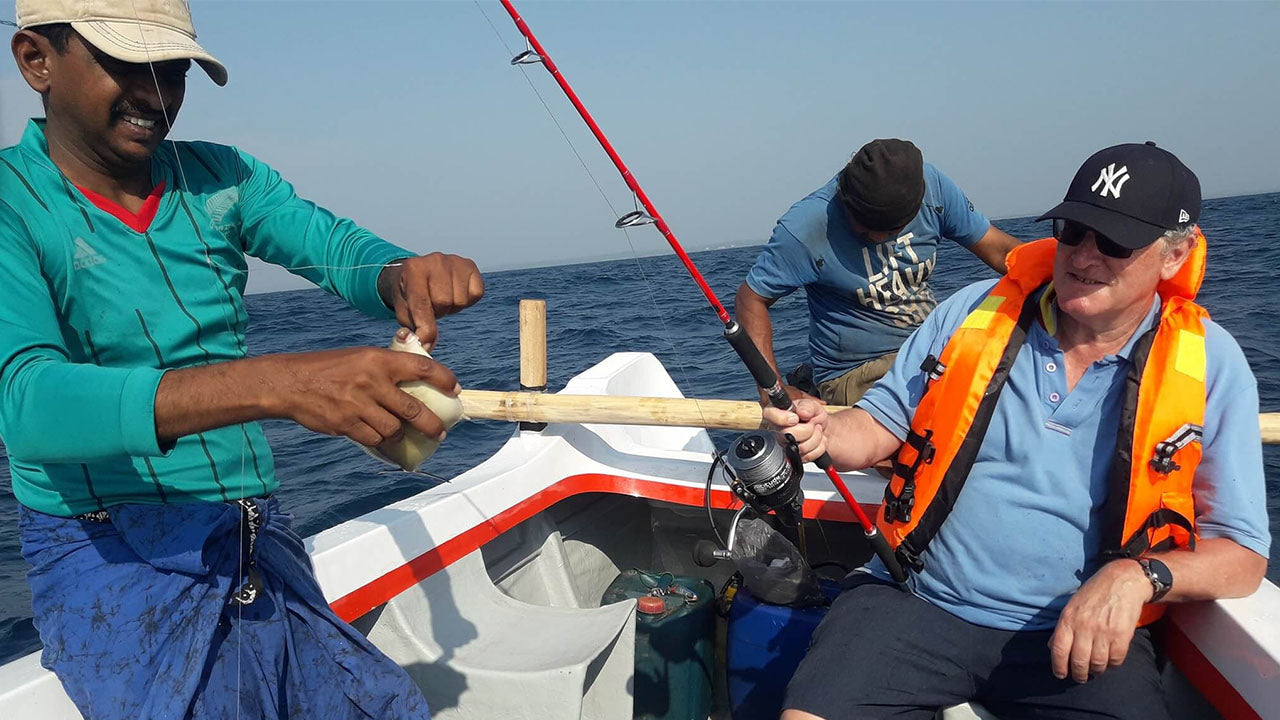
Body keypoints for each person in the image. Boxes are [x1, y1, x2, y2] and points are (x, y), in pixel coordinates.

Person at [1, 1, 484, 718]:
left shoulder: (222, 176)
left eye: (173, 69)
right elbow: (29, 405)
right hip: (107, 550)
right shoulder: (11, 202)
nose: (156, 93)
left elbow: (335, 249)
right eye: (126, 63)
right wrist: (281, 385)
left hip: (253, 524)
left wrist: (400, 274)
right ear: (36, 60)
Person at [766, 142, 1270, 719]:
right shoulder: (971, 313)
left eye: (1115, 242)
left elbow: (1242, 557)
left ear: (1175, 255)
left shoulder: (1211, 365)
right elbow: (877, 425)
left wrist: (1138, 577)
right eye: (1073, 231)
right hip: (915, 597)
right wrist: (824, 429)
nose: (1084, 256)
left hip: (1078, 637)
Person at [736, 139, 1022, 406]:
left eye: (888, 230)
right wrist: (772, 390)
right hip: (857, 372)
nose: (874, 237)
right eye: (863, 226)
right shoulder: (805, 227)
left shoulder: (933, 189)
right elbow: (751, 299)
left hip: (934, 346)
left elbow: (1001, 251)